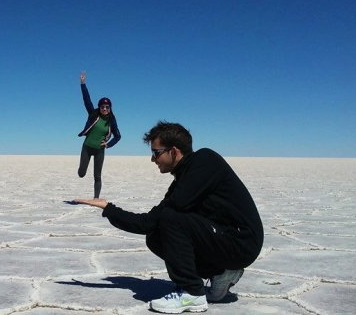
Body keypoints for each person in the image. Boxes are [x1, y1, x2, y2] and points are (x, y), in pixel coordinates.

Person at [75, 121, 263, 313]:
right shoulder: (184, 176)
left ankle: (192, 293)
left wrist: (110, 209)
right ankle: (220, 272)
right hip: (224, 238)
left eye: (156, 153)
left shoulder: (204, 162)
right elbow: (149, 224)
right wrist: (108, 208)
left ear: (173, 151)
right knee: (156, 236)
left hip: (242, 242)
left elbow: (163, 217)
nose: (153, 159)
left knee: (170, 219)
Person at [77, 71, 121, 199]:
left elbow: (118, 136)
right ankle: (81, 171)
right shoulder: (93, 114)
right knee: (81, 173)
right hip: (87, 147)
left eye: (107, 107)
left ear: (110, 108)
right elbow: (87, 100)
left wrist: (108, 144)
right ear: (99, 107)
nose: (105, 109)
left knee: (97, 176)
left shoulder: (111, 120)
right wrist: (83, 83)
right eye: (103, 106)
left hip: (99, 150)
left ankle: (96, 198)